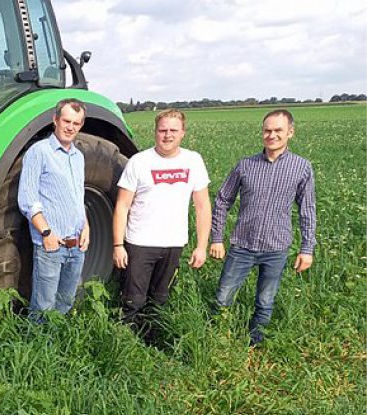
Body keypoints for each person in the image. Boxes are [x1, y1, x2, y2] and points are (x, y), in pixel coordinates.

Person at [209, 109, 316, 347]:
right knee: (223, 296)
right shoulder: (245, 165)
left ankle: (255, 343)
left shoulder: (302, 168)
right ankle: (216, 340)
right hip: (242, 245)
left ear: (290, 132)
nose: (272, 135)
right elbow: (222, 200)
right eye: (267, 130)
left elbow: (307, 210)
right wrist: (217, 238)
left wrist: (307, 249)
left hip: (276, 248)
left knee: (265, 301)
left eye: (278, 130)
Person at [113, 109, 211, 330]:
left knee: (159, 299)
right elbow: (122, 205)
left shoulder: (193, 161)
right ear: (155, 132)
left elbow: (203, 206)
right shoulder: (139, 162)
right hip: (140, 243)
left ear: (183, 133)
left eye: (173, 130)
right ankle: (126, 344)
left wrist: (202, 246)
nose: (167, 135)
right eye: (162, 130)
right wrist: (118, 245)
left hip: (173, 243)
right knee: (133, 300)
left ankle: (152, 344)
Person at [18, 99, 89, 315]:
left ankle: (58, 348)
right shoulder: (39, 152)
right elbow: (27, 199)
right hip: (51, 245)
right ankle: (38, 348)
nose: (70, 127)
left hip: (76, 245)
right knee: (43, 308)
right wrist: (46, 232)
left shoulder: (78, 157)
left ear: (81, 125)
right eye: (66, 121)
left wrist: (86, 226)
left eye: (76, 123)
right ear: (55, 120)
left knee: (65, 305)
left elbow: (78, 196)